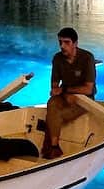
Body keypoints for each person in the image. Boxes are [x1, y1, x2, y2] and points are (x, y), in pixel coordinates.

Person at [42, 27, 97, 158]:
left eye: (66, 42)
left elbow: (88, 89)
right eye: (60, 42)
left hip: (85, 99)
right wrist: (64, 94)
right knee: (52, 104)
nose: (62, 46)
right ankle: (55, 146)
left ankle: (49, 149)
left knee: (57, 115)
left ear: (75, 43)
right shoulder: (57, 59)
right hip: (65, 95)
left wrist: (66, 91)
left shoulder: (87, 58)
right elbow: (54, 89)